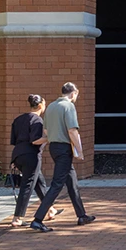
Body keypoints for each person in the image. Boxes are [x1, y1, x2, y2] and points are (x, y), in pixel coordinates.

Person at [31, 82, 94, 232]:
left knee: (71, 181)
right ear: (74, 93)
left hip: (54, 147)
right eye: (76, 94)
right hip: (64, 148)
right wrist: (80, 151)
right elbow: (72, 131)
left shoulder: (51, 106)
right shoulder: (69, 106)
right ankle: (38, 219)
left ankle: (81, 215)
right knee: (57, 184)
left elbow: (45, 132)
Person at [9, 94, 56, 230]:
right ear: (41, 105)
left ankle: (50, 208)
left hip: (17, 155)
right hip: (31, 156)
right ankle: (17, 218)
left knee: (39, 181)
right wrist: (51, 136)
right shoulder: (37, 121)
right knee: (28, 185)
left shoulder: (18, 119)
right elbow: (35, 141)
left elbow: (14, 140)